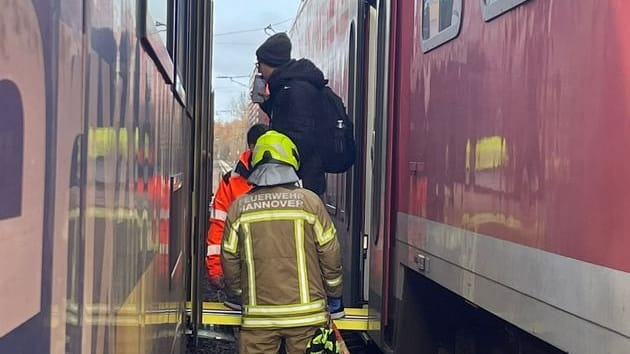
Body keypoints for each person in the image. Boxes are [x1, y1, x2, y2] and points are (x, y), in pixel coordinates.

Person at [221, 130, 344, 354]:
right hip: (307, 316)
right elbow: (330, 252)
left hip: (259, 319)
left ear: (256, 163)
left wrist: (239, 294)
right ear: (292, 160)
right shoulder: (310, 203)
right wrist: (334, 293)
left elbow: (229, 258)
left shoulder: (240, 208)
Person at [255, 32, 327, 196]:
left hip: (300, 182)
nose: (259, 69)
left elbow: (298, 136)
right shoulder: (290, 87)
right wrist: (267, 103)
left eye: (259, 64)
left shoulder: (293, 90)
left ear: (270, 63)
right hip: (299, 179)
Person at [206, 123, 269, 290]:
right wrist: (216, 270)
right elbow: (218, 226)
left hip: (275, 268)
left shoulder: (288, 178)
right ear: (251, 147)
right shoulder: (230, 182)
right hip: (242, 271)